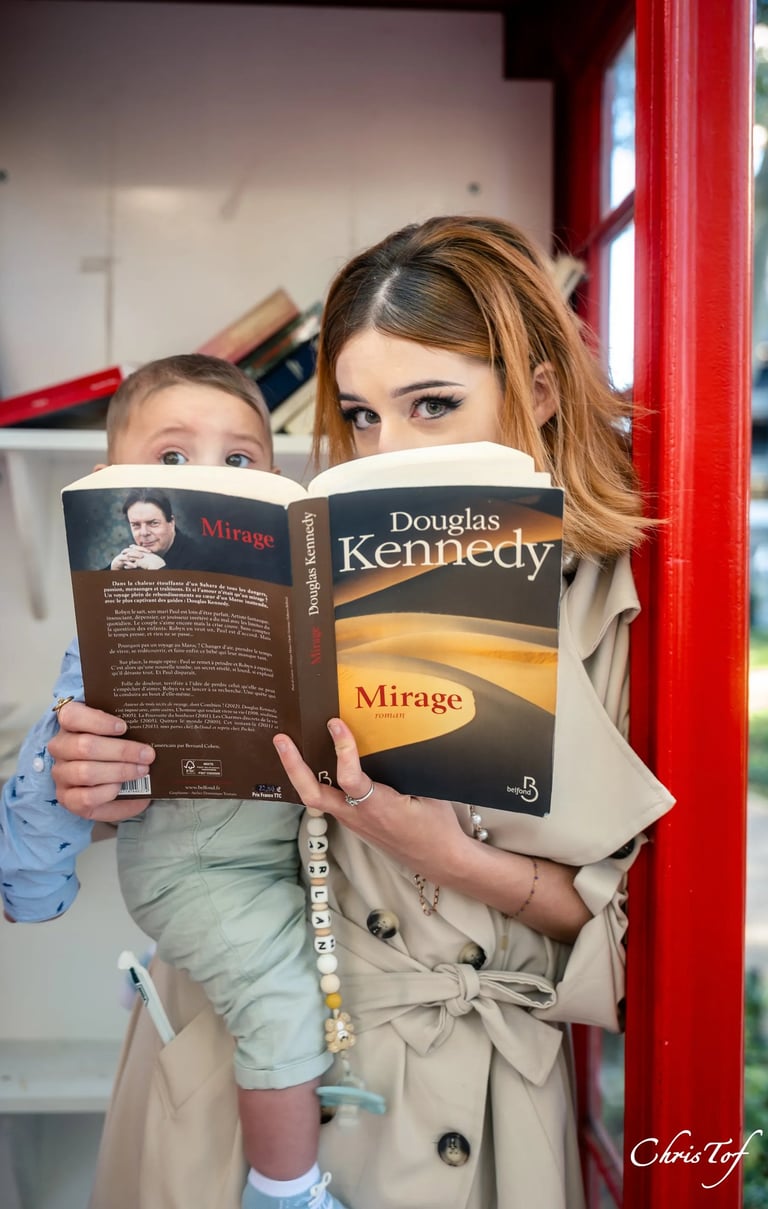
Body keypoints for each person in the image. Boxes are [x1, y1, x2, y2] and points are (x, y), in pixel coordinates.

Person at [6, 217, 674, 1209]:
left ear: (537, 396)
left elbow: (656, 953)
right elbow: (188, 807)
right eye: (360, 417)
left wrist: (447, 857)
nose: (385, 449)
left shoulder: (632, 604)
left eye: (432, 405)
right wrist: (87, 777)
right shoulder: (305, 558)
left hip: (469, 1096)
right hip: (246, 1073)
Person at [0, 352, 351, 1209]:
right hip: (195, 869)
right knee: (280, 1002)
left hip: (284, 863)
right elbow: (36, 839)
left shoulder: (295, 600)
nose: (207, 477)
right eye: (171, 458)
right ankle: (286, 1190)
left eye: (240, 461)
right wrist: (59, 785)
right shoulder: (107, 624)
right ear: (110, 488)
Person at [109, 488, 201, 570]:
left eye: (154, 523)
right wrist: (112, 571)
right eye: (136, 525)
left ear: (171, 522)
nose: (144, 533)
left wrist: (160, 570)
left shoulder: (200, 559)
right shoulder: (130, 558)